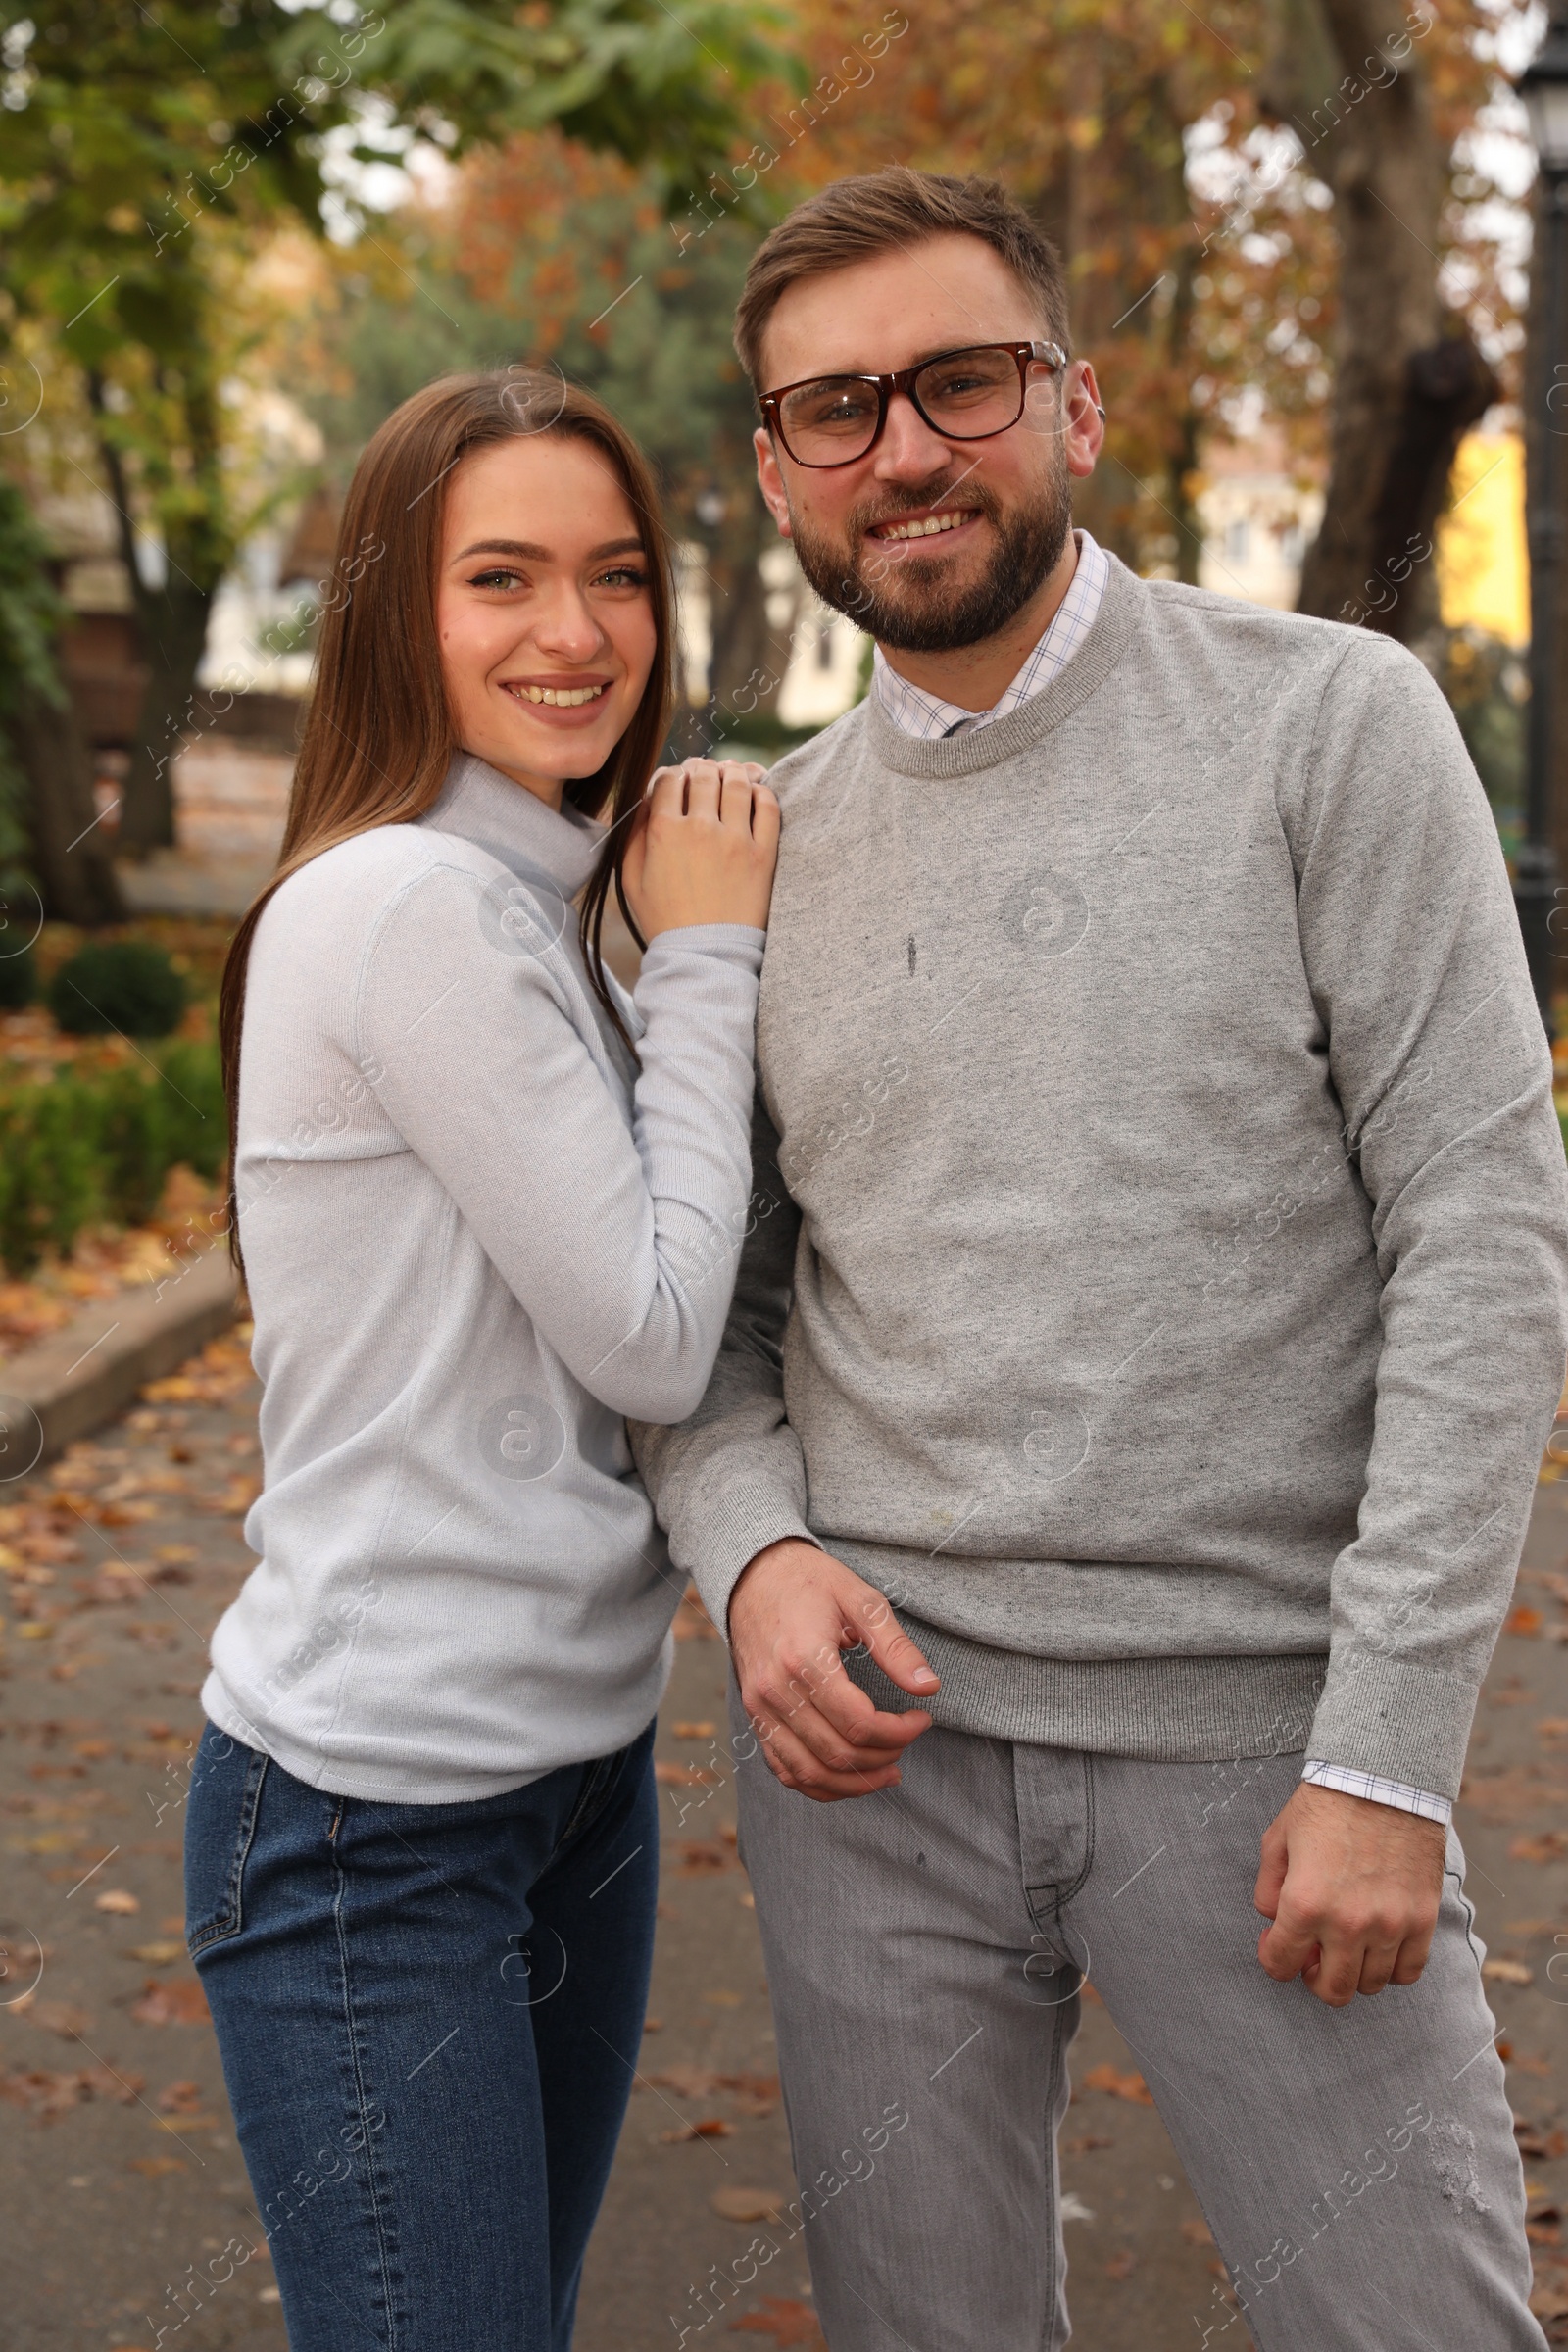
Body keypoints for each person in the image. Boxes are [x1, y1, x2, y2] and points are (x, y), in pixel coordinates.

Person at [633, 169, 1568, 2350]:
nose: (902, 452)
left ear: (1069, 405)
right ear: (774, 469)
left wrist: (1386, 1756)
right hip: (879, 1769)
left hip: (1264, 1753)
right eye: (834, 410)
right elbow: (705, 1314)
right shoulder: (755, 844)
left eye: (955, 383)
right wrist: (753, 1556)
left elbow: (1482, 1231)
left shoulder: (1324, 727)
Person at [184, 368, 778, 2352]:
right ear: (390, 612)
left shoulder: (530, 891)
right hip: (375, 1825)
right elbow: (649, 1333)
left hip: (569, 1781)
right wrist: (704, 957)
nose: (576, 633)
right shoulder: (409, 904)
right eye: (498, 577)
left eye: (614, 576)